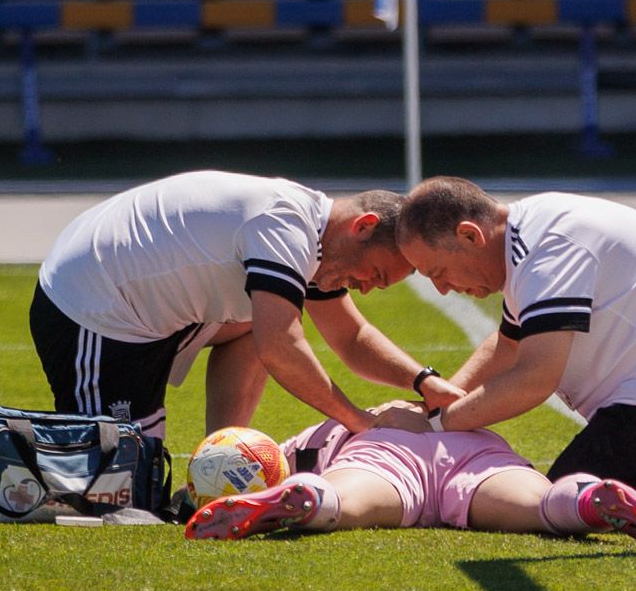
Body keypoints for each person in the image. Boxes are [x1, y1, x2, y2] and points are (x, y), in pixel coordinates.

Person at [380, 175, 636, 523]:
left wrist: (436, 426)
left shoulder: (547, 249)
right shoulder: (530, 233)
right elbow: (508, 345)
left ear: (470, 235)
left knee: (569, 500)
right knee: (571, 497)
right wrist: (439, 402)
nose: (442, 289)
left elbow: (534, 378)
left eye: (439, 272)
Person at [30, 170, 464, 443]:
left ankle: (217, 455)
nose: (368, 288)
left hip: (145, 305)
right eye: (376, 273)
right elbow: (280, 346)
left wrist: (422, 382)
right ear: (363, 227)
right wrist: (360, 422)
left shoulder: (315, 239)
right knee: (117, 487)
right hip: (92, 307)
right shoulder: (284, 227)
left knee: (256, 323)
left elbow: (351, 337)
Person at [183, 411, 636, 551]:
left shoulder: (304, 443)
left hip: (384, 453)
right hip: (474, 446)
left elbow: (273, 462)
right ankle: (595, 500)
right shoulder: (384, 410)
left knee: (343, 500)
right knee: (541, 508)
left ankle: (305, 501)